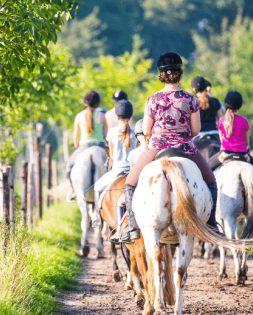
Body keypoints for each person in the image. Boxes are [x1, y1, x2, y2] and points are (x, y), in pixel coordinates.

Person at [122, 52, 221, 243]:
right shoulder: (190, 99)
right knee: (211, 182)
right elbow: (196, 130)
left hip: (156, 147)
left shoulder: (152, 99)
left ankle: (132, 227)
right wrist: (181, 135)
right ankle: (211, 224)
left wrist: (162, 135)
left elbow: (148, 130)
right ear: (180, 73)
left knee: (129, 183)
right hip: (185, 147)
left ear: (161, 75)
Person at [93, 100, 136, 241]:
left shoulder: (112, 132)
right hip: (134, 172)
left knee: (97, 188)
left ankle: (97, 221)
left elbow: (111, 157)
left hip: (117, 171)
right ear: (131, 115)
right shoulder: (136, 131)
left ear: (117, 116)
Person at [65, 90, 107, 202]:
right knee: (111, 167)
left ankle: (73, 190)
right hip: (101, 145)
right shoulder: (102, 116)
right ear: (97, 103)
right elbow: (107, 136)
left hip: (84, 146)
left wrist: (77, 146)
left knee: (69, 166)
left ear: (85, 102)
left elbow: (75, 138)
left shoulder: (79, 116)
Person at [207, 91, 253, 175]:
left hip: (225, 154)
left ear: (226, 104)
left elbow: (221, 140)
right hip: (243, 155)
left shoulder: (221, 121)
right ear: (239, 105)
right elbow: (247, 142)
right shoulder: (244, 121)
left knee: (207, 168)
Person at [191, 76, 224, 142]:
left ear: (194, 90)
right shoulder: (215, 101)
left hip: (199, 135)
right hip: (215, 133)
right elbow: (221, 121)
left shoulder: (193, 103)